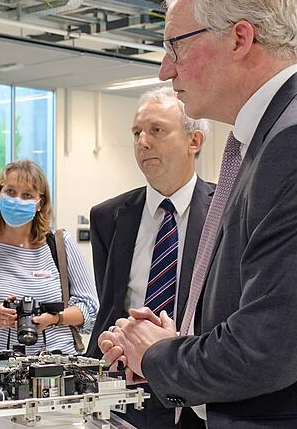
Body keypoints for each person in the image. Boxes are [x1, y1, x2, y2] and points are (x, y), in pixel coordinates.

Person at [98, 0, 297, 427]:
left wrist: (158, 358)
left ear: (239, 37)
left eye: (175, 45)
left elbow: (267, 349)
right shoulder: (279, 135)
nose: (164, 70)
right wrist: (180, 344)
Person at [86, 87, 213, 429]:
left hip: (198, 391)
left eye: (157, 130)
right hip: (126, 390)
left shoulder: (226, 211)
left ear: (194, 141)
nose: (143, 142)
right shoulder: (108, 217)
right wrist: (111, 339)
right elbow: (110, 304)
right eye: (137, 133)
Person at [0, 160, 98, 355]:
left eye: (27, 195)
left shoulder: (61, 245)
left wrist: (54, 318)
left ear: (40, 204)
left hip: (58, 365)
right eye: (11, 192)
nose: (17, 200)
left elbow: (92, 310)